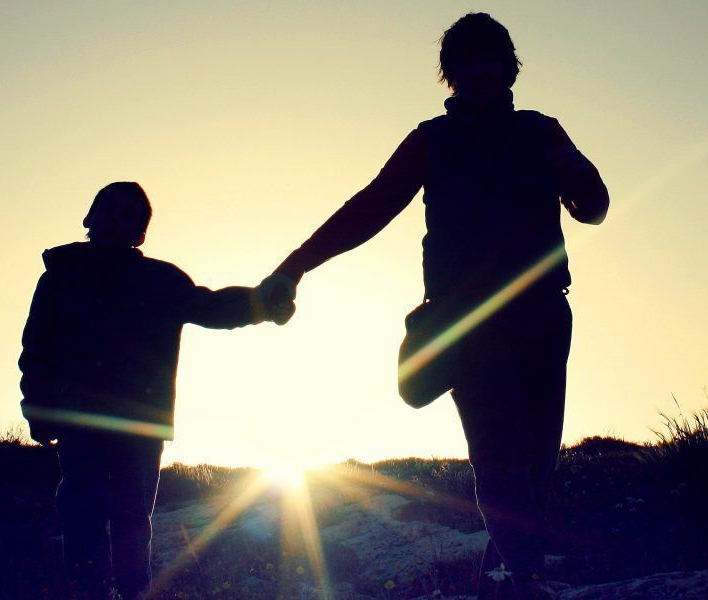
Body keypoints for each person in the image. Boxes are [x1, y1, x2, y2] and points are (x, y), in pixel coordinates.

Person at [260, 12, 608, 600]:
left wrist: (579, 173)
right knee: (500, 451)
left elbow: (593, 207)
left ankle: (504, 582)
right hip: (465, 322)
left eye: (486, 58)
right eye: (461, 61)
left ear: (507, 67)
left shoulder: (541, 131)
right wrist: (295, 265)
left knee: (536, 458)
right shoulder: (431, 140)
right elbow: (370, 208)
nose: (475, 70)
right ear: (448, 74)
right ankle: (524, 578)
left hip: (544, 315)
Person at [19, 182, 291, 599]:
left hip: (141, 424)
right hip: (80, 420)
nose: (116, 219)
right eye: (108, 210)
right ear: (89, 218)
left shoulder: (160, 281)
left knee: (132, 519)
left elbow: (212, 307)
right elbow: (36, 347)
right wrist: (37, 407)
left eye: (129, 216)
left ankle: (133, 593)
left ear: (141, 234)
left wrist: (263, 302)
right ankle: (86, 592)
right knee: (83, 513)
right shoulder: (60, 276)